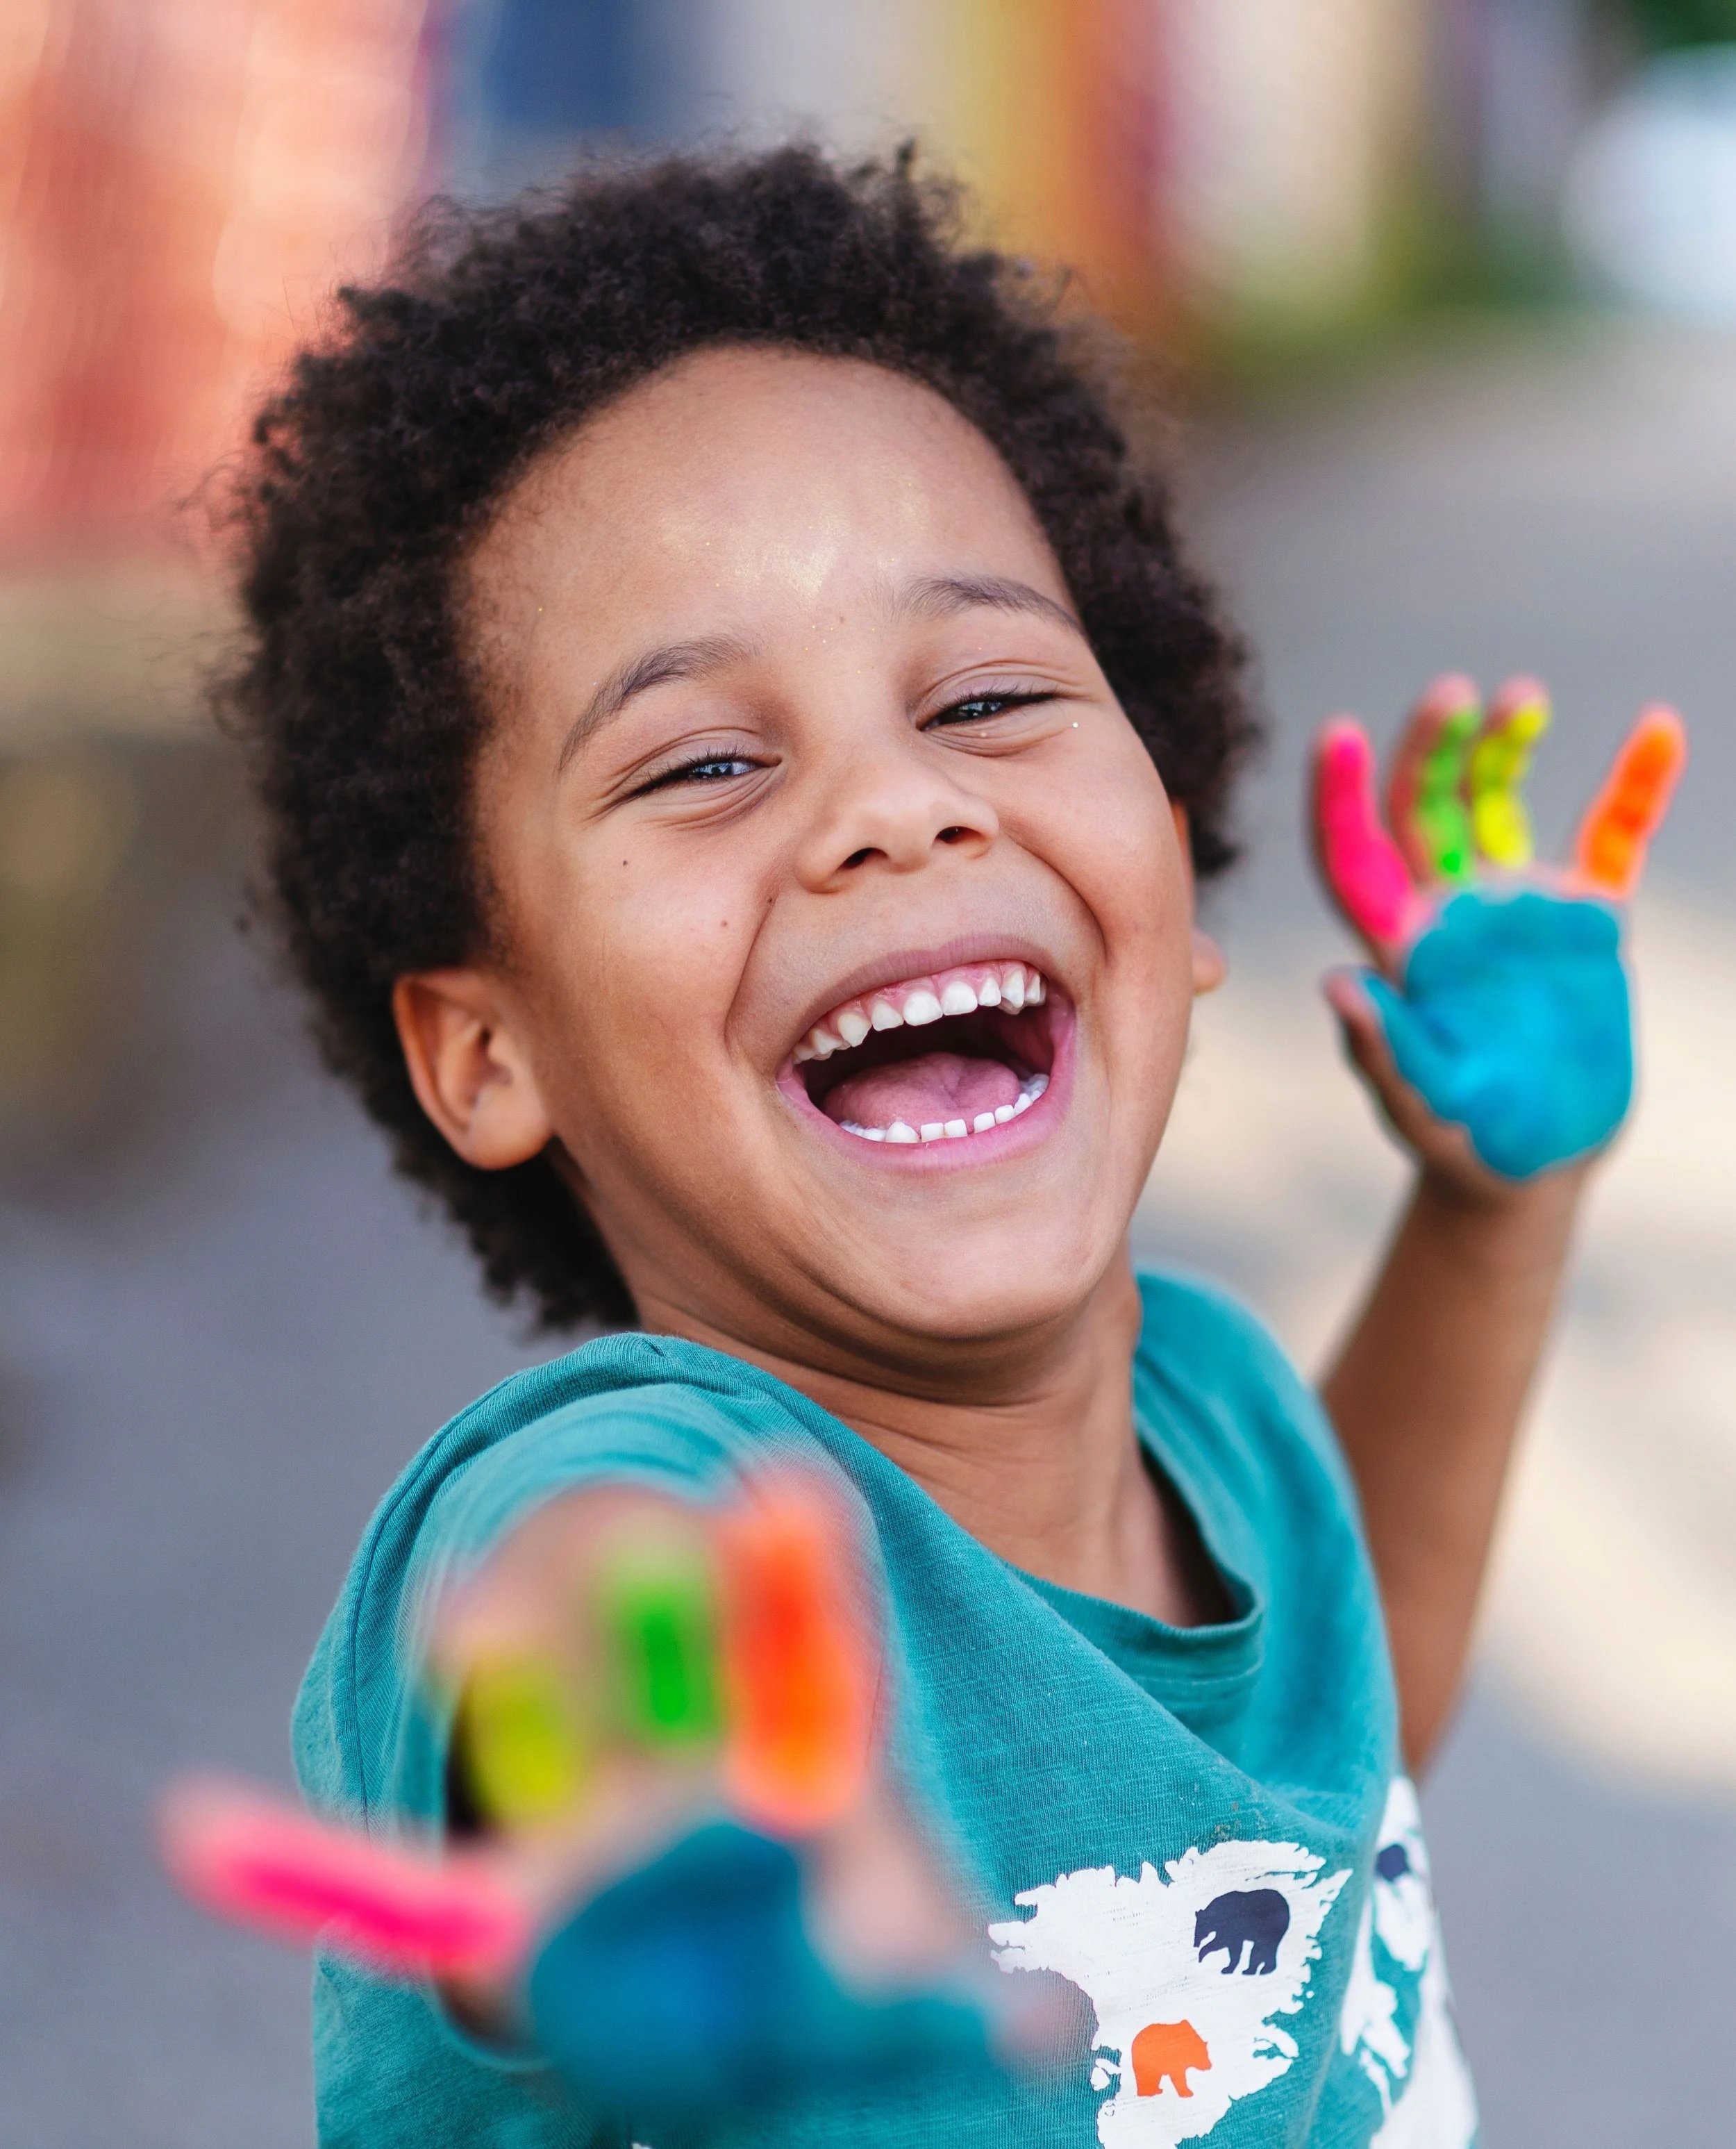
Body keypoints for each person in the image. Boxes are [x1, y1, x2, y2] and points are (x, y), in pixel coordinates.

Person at [219, 144, 1674, 2147]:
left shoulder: (1221, 1408)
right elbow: (582, 1599)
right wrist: (669, 1838)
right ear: (485, 1048)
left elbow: (1350, 1728)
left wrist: (1491, 1214)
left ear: (1164, 851)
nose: (894, 811)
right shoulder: (635, 1484)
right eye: (707, 760)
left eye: (987, 695)